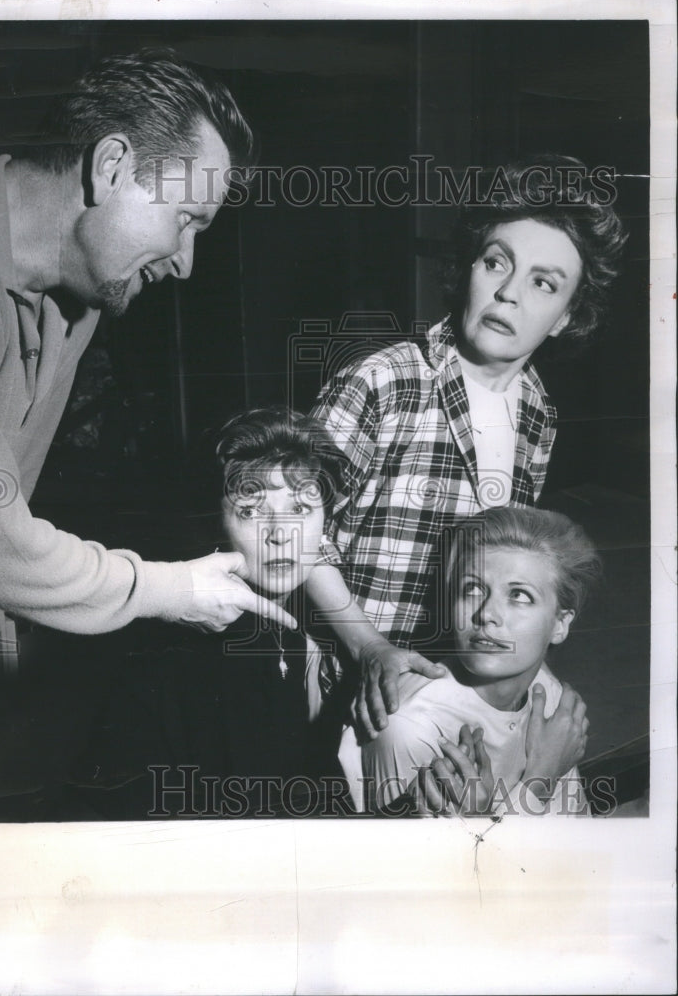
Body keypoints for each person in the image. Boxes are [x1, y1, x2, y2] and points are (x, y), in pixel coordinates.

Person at [0, 48, 296, 820]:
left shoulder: (78, 291)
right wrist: (165, 588)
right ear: (111, 166)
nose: (185, 262)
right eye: (186, 220)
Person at [310, 155, 626, 738]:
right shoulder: (382, 380)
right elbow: (292, 536)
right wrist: (369, 647)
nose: (508, 293)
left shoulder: (538, 415)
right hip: (350, 670)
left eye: (543, 282)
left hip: (456, 670)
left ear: (565, 317)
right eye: (496, 262)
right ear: (469, 270)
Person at [134, 408, 357, 817]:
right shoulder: (210, 655)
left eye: (301, 509)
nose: (279, 534)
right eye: (251, 511)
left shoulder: (285, 635)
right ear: (216, 523)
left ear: (326, 522)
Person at [341, 506, 601, 816]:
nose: (486, 614)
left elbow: (573, 836)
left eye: (519, 595)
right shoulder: (409, 727)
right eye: (473, 589)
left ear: (560, 624)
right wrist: (541, 778)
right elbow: (410, 862)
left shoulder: (549, 695)